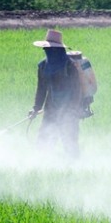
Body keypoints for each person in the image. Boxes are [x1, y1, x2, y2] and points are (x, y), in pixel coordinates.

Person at [28, 29, 86, 158]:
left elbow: (77, 89)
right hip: (51, 109)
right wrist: (35, 108)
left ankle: (74, 167)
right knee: (44, 139)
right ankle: (43, 166)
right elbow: (41, 89)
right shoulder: (43, 66)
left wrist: (73, 110)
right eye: (46, 49)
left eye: (49, 49)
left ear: (57, 50)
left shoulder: (69, 66)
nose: (46, 51)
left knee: (69, 141)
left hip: (69, 109)